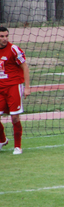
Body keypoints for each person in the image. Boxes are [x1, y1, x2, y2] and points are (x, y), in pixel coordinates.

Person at [0, 26, 31, 155]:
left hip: (14, 86)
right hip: (0, 88)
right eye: (2, 36)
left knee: (15, 118)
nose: (5, 39)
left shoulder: (14, 49)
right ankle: (3, 140)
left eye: (6, 36)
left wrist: (27, 87)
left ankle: (18, 146)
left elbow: (25, 67)